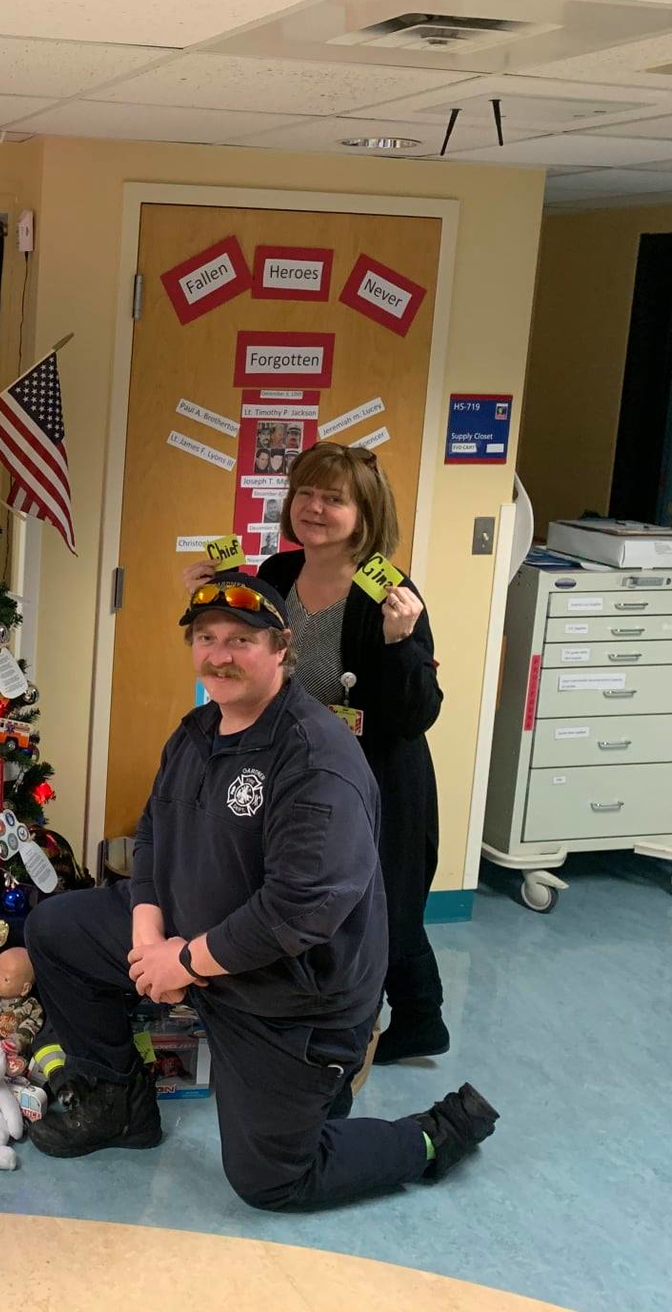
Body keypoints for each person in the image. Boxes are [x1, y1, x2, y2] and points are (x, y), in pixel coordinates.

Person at [22, 570, 496, 1211]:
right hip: (198, 950)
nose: (220, 654)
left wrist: (182, 962)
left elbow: (298, 910)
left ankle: (431, 1138)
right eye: (206, 637)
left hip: (289, 993)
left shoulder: (315, 754)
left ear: (282, 649)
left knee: (274, 1179)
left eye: (242, 639)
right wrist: (147, 940)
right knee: (58, 929)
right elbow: (155, 833)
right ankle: (117, 1105)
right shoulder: (195, 732)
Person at [186, 442, 448, 1063]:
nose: (316, 507)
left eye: (335, 498)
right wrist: (205, 595)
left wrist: (398, 642)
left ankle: (402, 1021)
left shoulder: (390, 595)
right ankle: (362, 1015)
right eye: (306, 493)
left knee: (384, 901)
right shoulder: (275, 575)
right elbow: (230, 651)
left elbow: (417, 715)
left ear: (366, 513)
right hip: (292, 768)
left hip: (375, 777)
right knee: (300, 888)